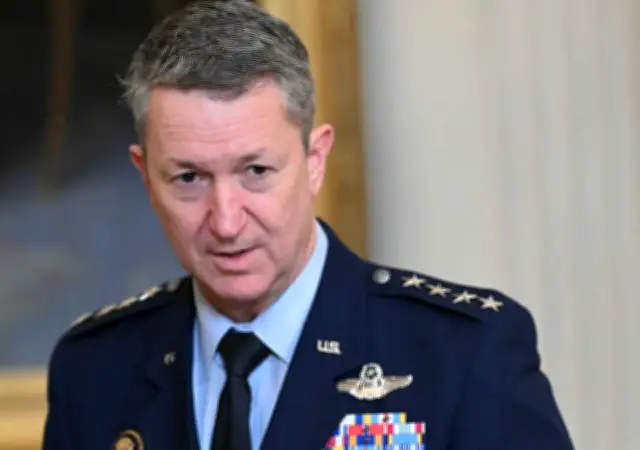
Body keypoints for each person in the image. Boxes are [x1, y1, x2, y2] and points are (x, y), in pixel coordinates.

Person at [42, 1, 574, 449]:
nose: (225, 221)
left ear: (315, 160)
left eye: (255, 171)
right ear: (145, 176)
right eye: (189, 178)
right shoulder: (94, 369)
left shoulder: (461, 353)